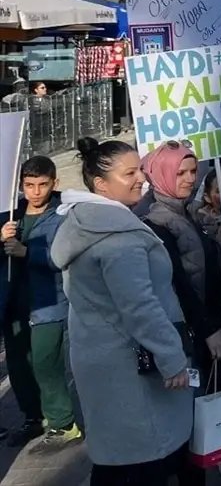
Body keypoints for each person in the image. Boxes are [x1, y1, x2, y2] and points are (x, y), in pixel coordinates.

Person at [52, 138, 194, 484]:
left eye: (140, 170)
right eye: (129, 173)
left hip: (102, 357)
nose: (140, 179)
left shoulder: (87, 223)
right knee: (141, 460)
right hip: (131, 365)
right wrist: (172, 357)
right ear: (100, 183)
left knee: (118, 457)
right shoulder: (118, 237)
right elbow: (140, 306)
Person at [1, 157, 78, 452]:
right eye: (29, 185)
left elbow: (65, 258)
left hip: (50, 303)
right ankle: (34, 417)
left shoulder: (63, 215)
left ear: (54, 183)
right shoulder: (11, 213)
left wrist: (26, 251)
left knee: (47, 364)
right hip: (13, 303)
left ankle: (63, 422)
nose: (35, 191)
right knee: (20, 365)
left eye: (42, 184)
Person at [140, 142, 221, 387]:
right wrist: (208, 330)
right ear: (161, 175)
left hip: (212, 322)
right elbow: (177, 282)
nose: (189, 179)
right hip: (196, 332)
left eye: (192, 171)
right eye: (180, 173)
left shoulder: (189, 212)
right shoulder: (157, 223)